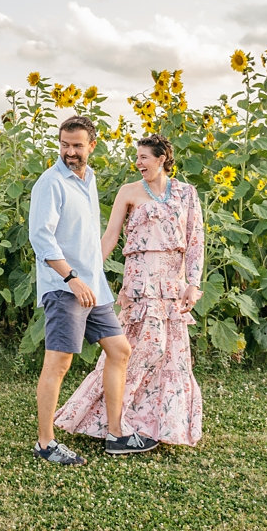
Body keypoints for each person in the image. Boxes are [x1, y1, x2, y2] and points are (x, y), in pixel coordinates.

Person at [56, 133, 204, 447]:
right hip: (140, 282)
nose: (138, 164)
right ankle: (116, 422)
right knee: (145, 349)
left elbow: (195, 241)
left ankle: (156, 424)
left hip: (171, 284)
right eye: (136, 158)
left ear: (162, 158)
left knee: (170, 356)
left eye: (144, 158)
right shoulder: (129, 191)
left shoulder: (186, 193)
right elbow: (110, 238)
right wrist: (79, 274)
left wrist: (194, 284)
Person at [28, 115, 154, 466]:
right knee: (59, 363)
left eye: (77, 146)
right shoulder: (50, 183)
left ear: (91, 146)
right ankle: (45, 443)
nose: (70, 152)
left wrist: (91, 278)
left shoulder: (88, 179)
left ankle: (116, 434)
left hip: (92, 286)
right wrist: (71, 279)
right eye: (65, 145)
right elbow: (40, 236)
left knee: (119, 350)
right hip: (65, 287)